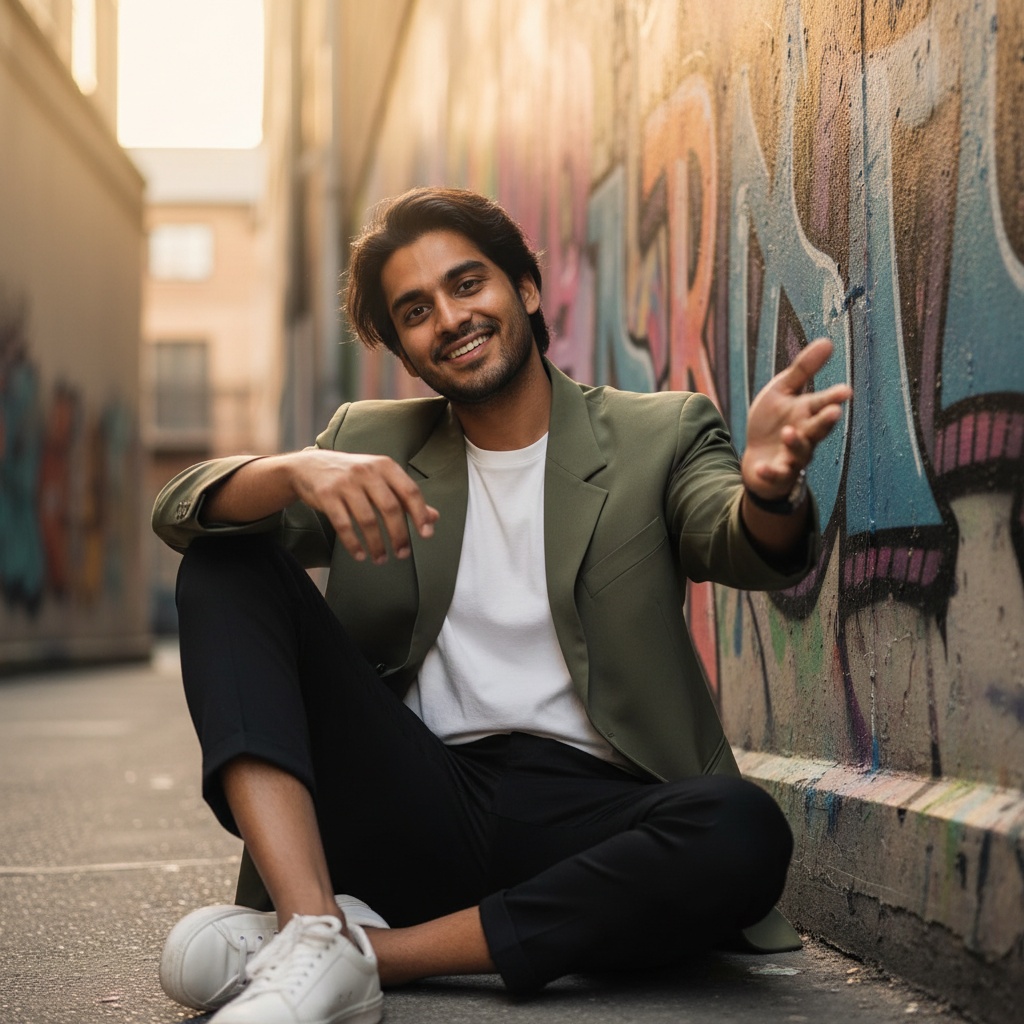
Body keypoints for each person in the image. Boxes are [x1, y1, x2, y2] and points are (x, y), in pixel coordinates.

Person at [152, 186, 851, 1024]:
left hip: (590, 811)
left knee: (742, 830)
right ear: (406, 351)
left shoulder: (657, 433)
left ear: (523, 286)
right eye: (415, 310)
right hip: (416, 791)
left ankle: (354, 952)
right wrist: (292, 470)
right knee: (225, 561)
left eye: (466, 283)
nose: (447, 317)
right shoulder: (370, 441)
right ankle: (309, 923)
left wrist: (769, 490)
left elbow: (737, 539)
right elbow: (179, 509)